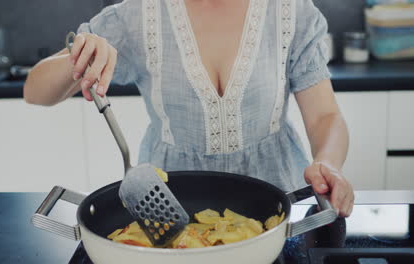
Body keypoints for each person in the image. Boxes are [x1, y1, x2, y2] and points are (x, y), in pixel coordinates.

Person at [24, 0, 354, 217]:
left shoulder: (292, 12)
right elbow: (35, 91)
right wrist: (78, 57)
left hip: (279, 200)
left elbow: (325, 116)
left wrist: (328, 164)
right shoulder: (136, 16)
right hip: (168, 205)